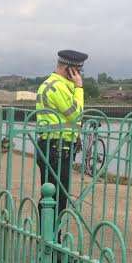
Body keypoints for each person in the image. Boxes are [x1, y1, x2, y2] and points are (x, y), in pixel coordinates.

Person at [35, 49, 88, 225]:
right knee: (56, 198)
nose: (79, 75)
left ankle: (49, 239)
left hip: (53, 146)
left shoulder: (54, 85)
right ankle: (51, 243)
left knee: (51, 194)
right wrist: (79, 88)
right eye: (78, 71)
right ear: (70, 70)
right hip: (57, 149)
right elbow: (76, 115)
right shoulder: (57, 87)